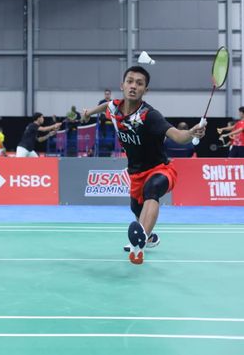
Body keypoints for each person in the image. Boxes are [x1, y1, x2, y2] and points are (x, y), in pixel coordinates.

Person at [81, 66, 205, 265]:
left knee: (152, 189)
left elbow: (178, 136)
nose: (133, 86)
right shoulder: (114, 107)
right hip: (136, 173)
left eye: (139, 84)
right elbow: (107, 106)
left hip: (160, 169)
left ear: (145, 90)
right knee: (135, 207)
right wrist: (89, 113)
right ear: (122, 85)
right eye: (130, 81)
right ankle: (149, 236)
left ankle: (139, 246)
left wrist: (191, 133)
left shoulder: (149, 115)